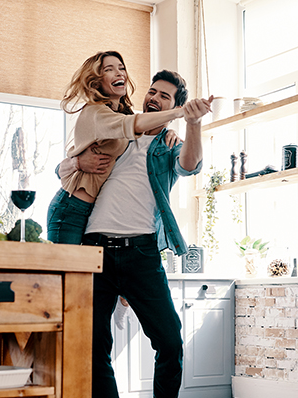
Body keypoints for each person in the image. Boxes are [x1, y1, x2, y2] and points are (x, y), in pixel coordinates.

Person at [59, 70, 211, 398]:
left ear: (175, 107)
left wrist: (193, 124)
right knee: (93, 346)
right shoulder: (118, 130)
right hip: (94, 248)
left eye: (164, 96)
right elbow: (62, 168)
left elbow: (189, 165)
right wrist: (78, 160)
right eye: (153, 92)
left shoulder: (170, 145)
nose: (154, 98)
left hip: (140, 253)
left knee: (170, 342)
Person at [46, 51, 185, 245]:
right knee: (65, 273)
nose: (119, 73)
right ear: (97, 81)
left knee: (81, 275)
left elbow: (141, 124)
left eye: (121, 68)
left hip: (90, 212)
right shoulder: (97, 112)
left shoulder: (121, 115)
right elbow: (135, 123)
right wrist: (77, 162)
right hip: (71, 208)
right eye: (109, 70)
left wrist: (170, 131)